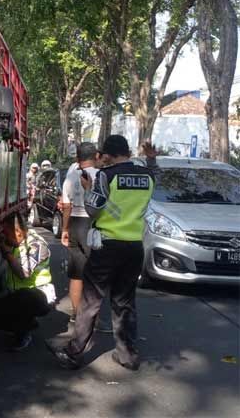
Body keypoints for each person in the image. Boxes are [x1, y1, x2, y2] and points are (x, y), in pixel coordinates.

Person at [48, 135, 158, 371]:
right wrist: (151, 160)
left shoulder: (107, 176)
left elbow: (93, 211)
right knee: (124, 301)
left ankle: (75, 353)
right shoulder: (147, 176)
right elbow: (155, 175)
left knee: (91, 302)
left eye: (103, 154)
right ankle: (127, 355)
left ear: (107, 154)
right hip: (134, 246)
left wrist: (89, 190)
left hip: (108, 246)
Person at [0, 212, 54, 351]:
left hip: (40, 296)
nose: (5, 237)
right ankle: (27, 322)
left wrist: (6, 253)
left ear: (18, 232)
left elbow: (23, 274)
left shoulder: (36, 245)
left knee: (25, 297)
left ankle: (24, 332)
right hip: (20, 295)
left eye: (6, 233)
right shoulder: (17, 241)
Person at [60, 143, 99, 322]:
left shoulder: (70, 176)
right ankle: (93, 318)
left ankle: (77, 314)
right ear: (96, 156)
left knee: (76, 272)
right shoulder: (101, 176)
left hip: (75, 222)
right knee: (95, 273)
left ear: (77, 158)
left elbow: (66, 206)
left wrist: (65, 229)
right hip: (93, 224)